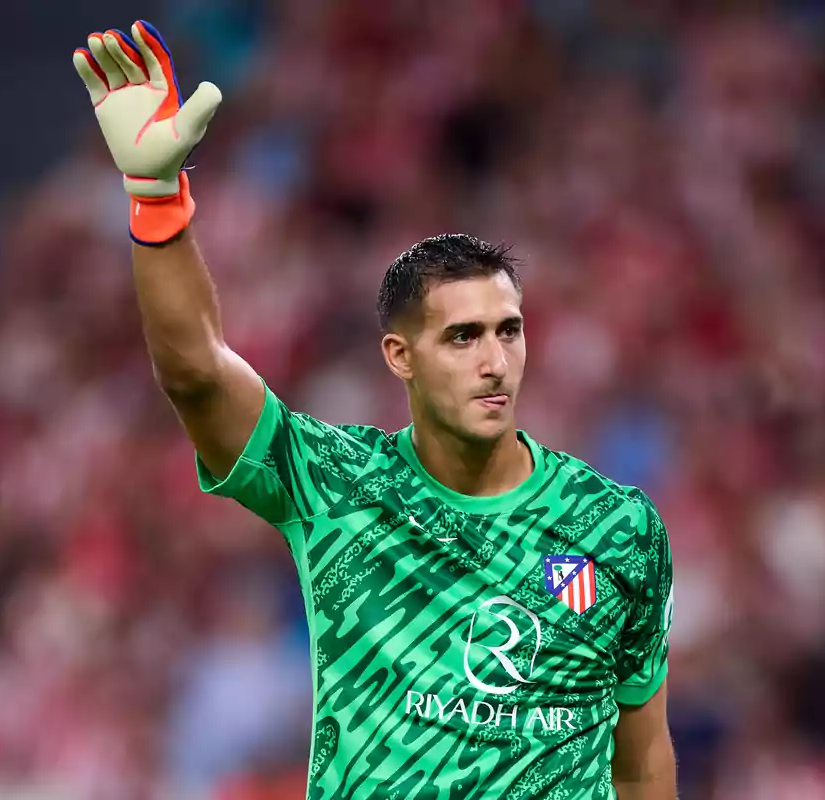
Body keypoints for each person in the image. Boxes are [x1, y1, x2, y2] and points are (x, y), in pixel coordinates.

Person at [73, 20, 677, 799]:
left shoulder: (616, 530)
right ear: (402, 357)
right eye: (462, 337)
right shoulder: (338, 486)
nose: (495, 361)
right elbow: (193, 374)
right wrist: (157, 202)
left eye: (509, 332)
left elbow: (643, 763)